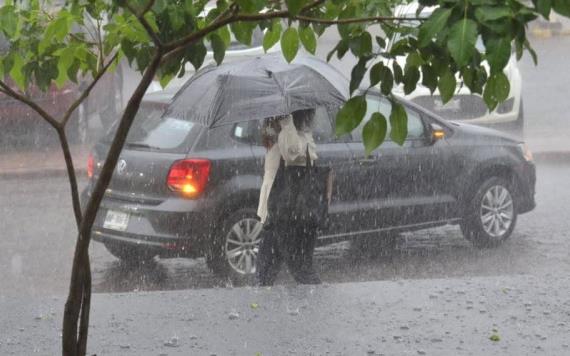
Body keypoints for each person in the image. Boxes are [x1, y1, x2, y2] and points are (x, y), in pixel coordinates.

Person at [256, 109, 321, 286]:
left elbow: (292, 153)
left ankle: (318, 308)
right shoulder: (284, 133)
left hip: (292, 214)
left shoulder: (298, 134)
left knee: (302, 269)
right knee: (264, 268)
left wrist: (286, 121)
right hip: (279, 213)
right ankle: (262, 307)